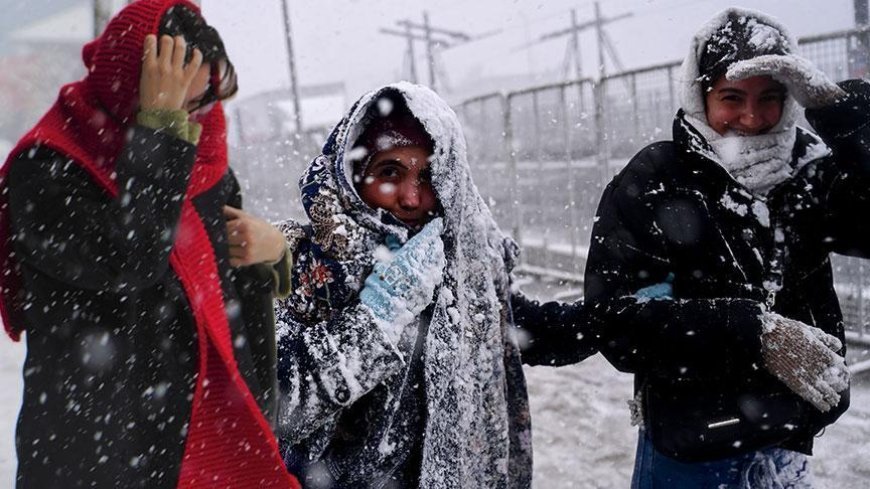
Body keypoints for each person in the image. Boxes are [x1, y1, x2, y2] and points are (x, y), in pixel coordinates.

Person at [0, 1, 299, 487]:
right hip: (95, 460)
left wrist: (273, 255)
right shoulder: (48, 168)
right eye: (179, 102)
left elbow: (229, 312)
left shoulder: (201, 167)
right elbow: (131, 259)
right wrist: (158, 128)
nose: (196, 124)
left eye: (203, 103)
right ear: (133, 90)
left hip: (201, 453)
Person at [255, 82, 597, 488]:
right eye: (390, 173)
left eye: (430, 176)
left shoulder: (454, 263)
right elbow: (281, 404)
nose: (412, 198)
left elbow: (514, 329)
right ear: (352, 173)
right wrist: (380, 314)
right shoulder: (301, 266)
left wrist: (611, 317)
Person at [584, 7, 862, 488]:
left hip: (788, 439)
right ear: (701, 94)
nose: (751, 118)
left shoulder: (808, 172)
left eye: (771, 98)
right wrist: (750, 331)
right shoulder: (656, 180)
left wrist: (842, 114)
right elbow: (615, 322)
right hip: (690, 453)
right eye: (732, 97)